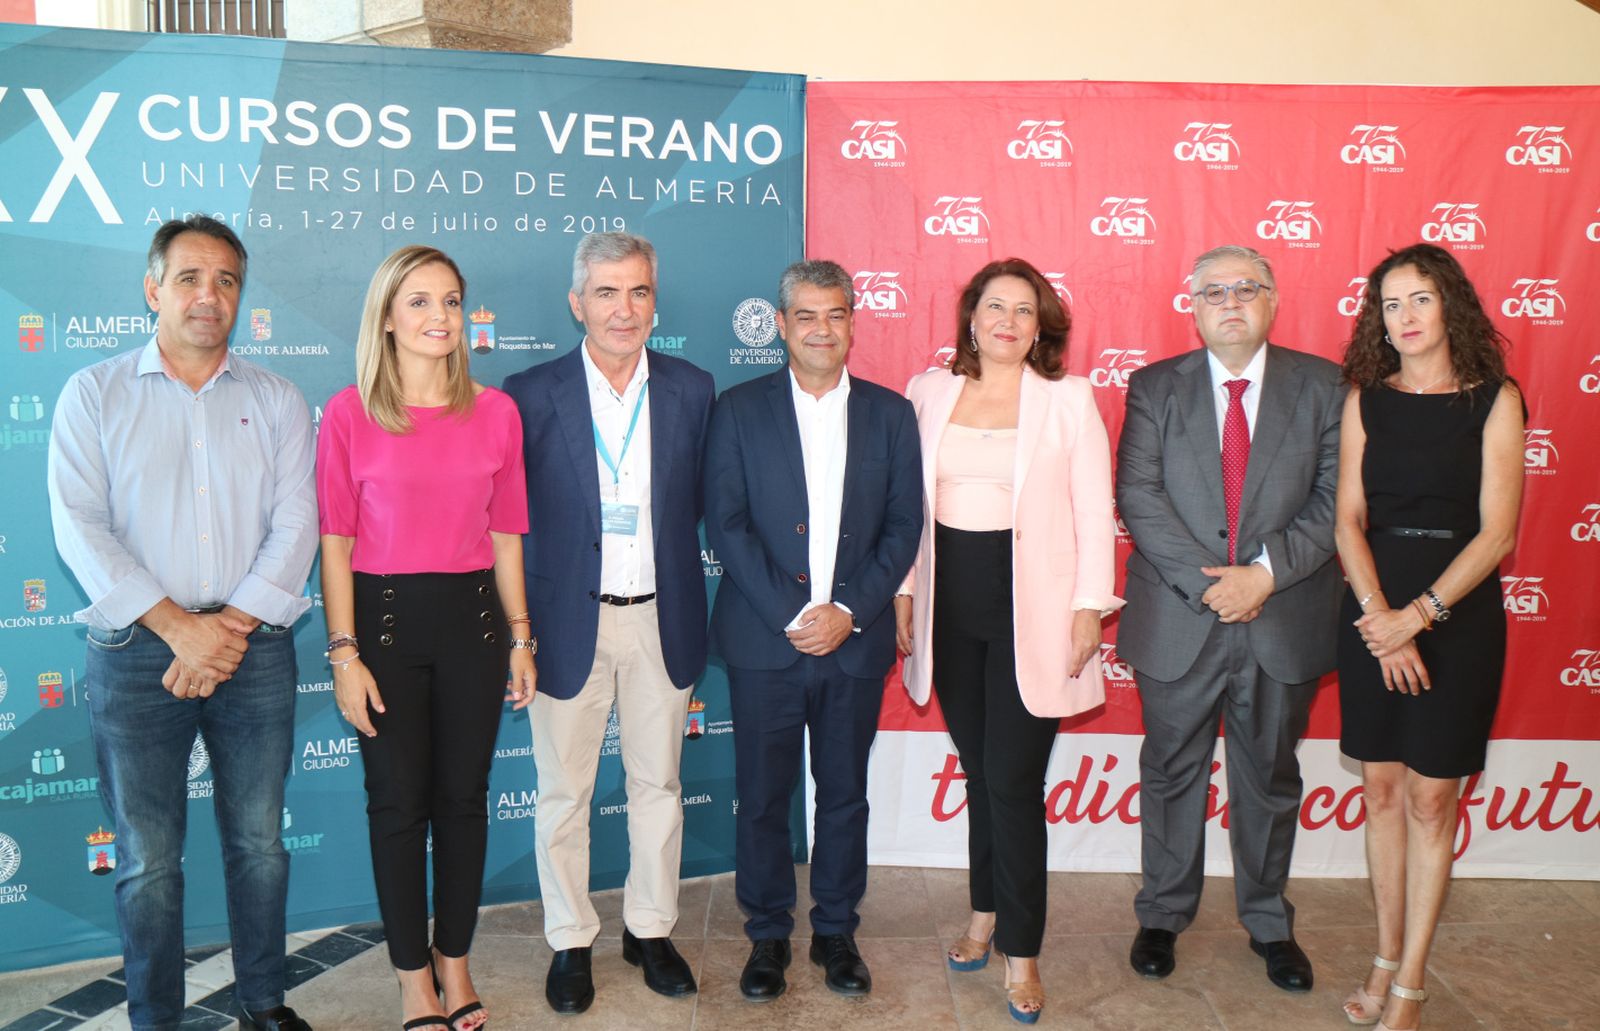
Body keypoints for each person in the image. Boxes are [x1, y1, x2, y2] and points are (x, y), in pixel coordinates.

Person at [47, 216, 318, 1031]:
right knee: (148, 860)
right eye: (192, 277)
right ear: (153, 288)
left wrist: (225, 628)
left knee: (260, 845)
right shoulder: (93, 393)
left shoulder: (275, 397)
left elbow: (297, 522)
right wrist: (177, 626)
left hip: (255, 651)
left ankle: (264, 1003)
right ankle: (154, 1018)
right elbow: (78, 525)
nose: (210, 295)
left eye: (227, 280)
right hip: (135, 654)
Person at [892, 258, 1122, 1024]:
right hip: (949, 606)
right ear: (971, 316)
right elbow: (907, 510)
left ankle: (1021, 949)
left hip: (1038, 611)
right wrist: (904, 589)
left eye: (1025, 311)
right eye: (996, 306)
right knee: (981, 772)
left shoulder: (1068, 399)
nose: (1009, 322)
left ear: (1040, 327)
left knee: (1015, 780)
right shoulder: (929, 392)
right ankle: (983, 914)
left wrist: (1091, 604)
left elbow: (1094, 511)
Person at [316, 245, 534, 1031]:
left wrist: (520, 638)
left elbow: (507, 538)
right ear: (386, 315)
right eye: (419, 301)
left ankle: (457, 962)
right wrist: (344, 654)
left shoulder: (498, 411)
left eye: (450, 301)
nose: (439, 316)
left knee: (463, 802)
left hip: (475, 623)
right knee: (398, 805)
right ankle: (413, 980)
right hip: (381, 625)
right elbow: (334, 544)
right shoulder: (348, 413)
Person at [1116, 244, 1344, 993]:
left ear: (1274, 299)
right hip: (1181, 614)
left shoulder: (1325, 385)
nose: (1231, 301)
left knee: (1269, 776)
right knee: (1171, 768)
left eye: (1247, 288)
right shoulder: (1154, 387)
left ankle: (1269, 921)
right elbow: (1140, 496)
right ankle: (1162, 913)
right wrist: (1216, 586)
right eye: (1213, 291)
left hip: (1282, 615)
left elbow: (1336, 499)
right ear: (1193, 305)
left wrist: (1264, 576)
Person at [501, 232, 715, 1015]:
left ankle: (651, 928)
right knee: (564, 793)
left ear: (655, 299)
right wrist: (519, 631)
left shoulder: (693, 387)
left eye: (638, 293)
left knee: (658, 783)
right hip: (565, 624)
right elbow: (508, 526)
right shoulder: (528, 392)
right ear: (576, 302)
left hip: (664, 617)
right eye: (606, 293)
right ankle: (570, 939)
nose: (624, 310)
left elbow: (700, 505)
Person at [705, 259, 922, 1004]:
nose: (821, 329)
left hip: (854, 641)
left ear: (854, 322)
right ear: (781, 324)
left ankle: (835, 929)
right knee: (763, 796)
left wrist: (850, 612)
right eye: (806, 315)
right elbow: (726, 525)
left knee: (844, 795)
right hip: (767, 638)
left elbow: (903, 526)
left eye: (835, 314)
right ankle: (767, 933)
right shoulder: (737, 409)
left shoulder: (892, 415)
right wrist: (794, 614)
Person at [1333, 244, 1523, 1031]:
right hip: (1375, 611)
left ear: (1450, 306)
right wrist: (1382, 619)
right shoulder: (1365, 400)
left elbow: (1499, 533)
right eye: (1389, 305)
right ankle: (1382, 957)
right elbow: (1346, 518)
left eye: (1418, 300)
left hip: (1458, 616)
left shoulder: (1495, 398)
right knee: (1379, 790)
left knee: (1431, 799)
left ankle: (1410, 983)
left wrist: (1419, 617)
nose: (1403, 318)